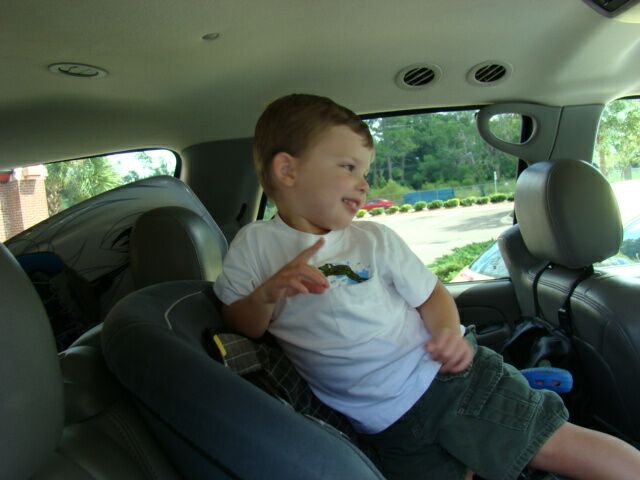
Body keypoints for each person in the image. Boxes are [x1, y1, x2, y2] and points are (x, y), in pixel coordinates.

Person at [213, 93, 640, 480]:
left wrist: (447, 333)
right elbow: (241, 323)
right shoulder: (254, 245)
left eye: (365, 171)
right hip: (387, 427)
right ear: (288, 170)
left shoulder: (373, 240)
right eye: (348, 167)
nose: (363, 183)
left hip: (446, 381)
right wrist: (267, 294)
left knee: (553, 444)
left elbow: (432, 296)